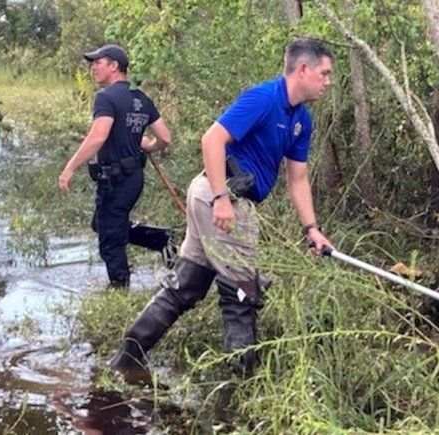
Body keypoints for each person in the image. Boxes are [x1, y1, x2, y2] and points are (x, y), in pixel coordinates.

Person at [108, 38, 335, 380]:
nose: (328, 82)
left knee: (186, 285)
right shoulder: (263, 98)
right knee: (242, 294)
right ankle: (243, 387)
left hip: (219, 198)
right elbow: (212, 139)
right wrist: (222, 199)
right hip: (222, 198)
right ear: (303, 69)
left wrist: (311, 229)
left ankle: (125, 361)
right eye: (324, 73)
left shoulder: (301, 119)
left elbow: (298, 178)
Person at [58, 44, 177, 289]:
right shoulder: (141, 97)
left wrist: (70, 168)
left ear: (114, 66)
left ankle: (119, 288)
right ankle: (161, 239)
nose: (93, 68)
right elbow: (165, 138)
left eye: (98, 62)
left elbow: (98, 136)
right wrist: (148, 144)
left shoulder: (106, 97)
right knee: (102, 224)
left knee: (110, 238)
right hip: (134, 179)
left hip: (116, 180)